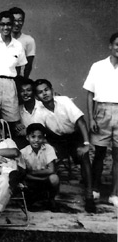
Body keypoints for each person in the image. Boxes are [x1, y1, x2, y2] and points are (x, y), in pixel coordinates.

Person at [34, 79, 96, 212]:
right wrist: (49, 147)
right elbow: (40, 131)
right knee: (50, 161)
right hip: (56, 140)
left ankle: (89, 196)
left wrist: (86, 144)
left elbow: (81, 122)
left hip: (74, 136)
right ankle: (50, 198)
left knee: (84, 157)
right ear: (37, 97)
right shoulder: (38, 111)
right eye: (40, 92)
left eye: (46, 90)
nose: (44, 94)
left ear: (51, 90)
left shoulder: (64, 101)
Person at [83, 32, 118, 207]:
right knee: (99, 154)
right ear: (110, 46)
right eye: (117, 44)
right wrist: (92, 119)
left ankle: (114, 193)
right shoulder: (98, 66)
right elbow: (89, 94)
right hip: (101, 112)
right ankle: (95, 189)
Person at [20, 123, 59, 211]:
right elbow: (24, 173)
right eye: (33, 137)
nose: (36, 140)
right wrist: (32, 175)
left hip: (44, 178)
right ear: (27, 138)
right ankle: (33, 199)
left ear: (43, 138)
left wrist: (33, 172)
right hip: (31, 180)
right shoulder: (23, 152)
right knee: (23, 180)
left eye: (40, 137)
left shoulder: (48, 148)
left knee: (54, 178)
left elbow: (51, 169)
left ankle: (51, 199)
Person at [14, 76, 41, 148]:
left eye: (28, 90)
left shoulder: (42, 106)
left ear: (34, 92)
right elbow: (19, 131)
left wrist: (28, 130)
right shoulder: (18, 109)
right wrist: (17, 125)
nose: (25, 93)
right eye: (22, 91)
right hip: (28, 143)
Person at [9, 7, 36, 78]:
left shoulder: (29, 40)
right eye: (14, 20)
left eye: (20, 20)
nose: (17, 23)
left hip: (18, 79)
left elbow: (28, 65)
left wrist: (24, 81)